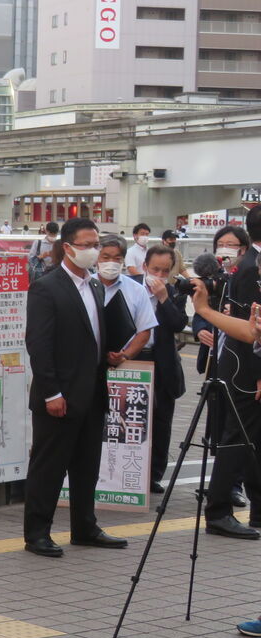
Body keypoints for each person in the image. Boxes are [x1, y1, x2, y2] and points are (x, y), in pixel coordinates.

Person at [22, 217, 128, 558]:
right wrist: (51, 393)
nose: (94, 251)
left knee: (87, 466)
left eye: (96, 244)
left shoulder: (95, 285)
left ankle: (85, 527)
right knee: (49, 467)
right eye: (87, 245)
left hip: (93, 391)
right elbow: (39, 345)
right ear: (67, 247)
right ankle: (37, 533)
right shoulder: (47, 287)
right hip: (59, 396)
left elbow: (92, 335)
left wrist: (109, 354)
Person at [197, 214, 261, 538]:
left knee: (252, 440)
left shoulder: (247, 263)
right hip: (245, 368)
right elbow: (250, 330)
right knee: (238, 438)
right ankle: (218, 510)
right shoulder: (251, 267)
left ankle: (256, 508)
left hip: (244, 364)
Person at [130, 244, 189, 493]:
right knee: (130, 417)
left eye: (165, 271)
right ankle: (127, 471)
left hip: (162, 361)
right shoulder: (129, 286)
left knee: (161, 420)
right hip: (132, 358)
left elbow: (178, 323)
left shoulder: (174, 292)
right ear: (145, 266)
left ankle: (154, 474)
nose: (160, 275)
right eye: (156, 269)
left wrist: (164, 298)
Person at [94, 235, 155, 372]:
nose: (111, 262)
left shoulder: (137, 290)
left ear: (123, 260)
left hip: (124, 367)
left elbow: (145, 330)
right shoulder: (84, 286)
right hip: (89, 363)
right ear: (96, 258)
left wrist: (124, 355)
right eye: (105, 257)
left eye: (117, 258)